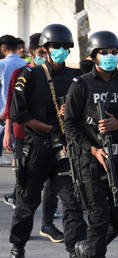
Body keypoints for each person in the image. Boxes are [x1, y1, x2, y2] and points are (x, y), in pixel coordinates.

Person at [64, 30, 118, 258]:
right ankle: (93, 252)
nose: (110, 56)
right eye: (104, 52)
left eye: (113, 52)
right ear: (93, 56)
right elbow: (69, 125)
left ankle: (87, 250)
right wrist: (93, 149)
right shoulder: (82, 85)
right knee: (99, 217)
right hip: (91, 160)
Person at [9, 24, 86, 258]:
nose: (60, 50)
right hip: (37, 149)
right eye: (55, 46)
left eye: (65, 47)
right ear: (45, 48)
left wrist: (70, 113)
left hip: (64, 150)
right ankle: (18, 246)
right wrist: (50, 127)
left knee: (72, 202)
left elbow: (87, 110)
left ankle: (75, 249)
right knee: (27, 202)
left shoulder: (76, 78)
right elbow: (18, 113)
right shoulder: (30, 75)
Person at [3, 32, 64, 244]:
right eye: (40, 52)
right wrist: (8, 131)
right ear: (32, 53)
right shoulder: (21, 73)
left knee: (53, 185)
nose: (45, 56)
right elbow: (12, 106)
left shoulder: (56, 77)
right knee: (26, 188)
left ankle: (47, 224)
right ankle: (20, 230)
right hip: (23, 137)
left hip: (51, 140)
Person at [0, 35, 27, 166]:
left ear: (3, 48)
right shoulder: (26, 65)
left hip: (4, 110)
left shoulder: (1, 64)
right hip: (21, 111)